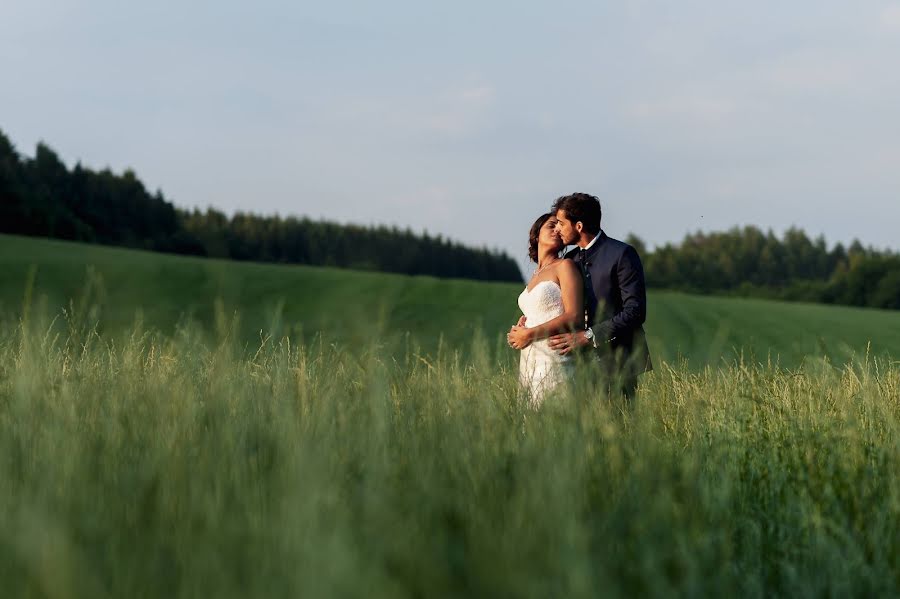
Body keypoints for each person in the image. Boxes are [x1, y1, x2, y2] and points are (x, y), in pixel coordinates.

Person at [546, 193, 652, 400]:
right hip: (576, 366)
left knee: (619, 429)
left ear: (578, 226)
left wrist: (587, 336)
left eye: (560, 223)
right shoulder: (570, 259)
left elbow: (635, 312)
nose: (557, 229)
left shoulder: (622, 254)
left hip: (618, 363)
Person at [507, 213, 584, 407]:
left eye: (560, 226)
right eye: (551, 225)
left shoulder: (565, 266)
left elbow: (574, 316)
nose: (557, 230)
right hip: (529, 361)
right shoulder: (535, 275)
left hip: (554, 359)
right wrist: (519, 330)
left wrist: (529, 334)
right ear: (536, 234)